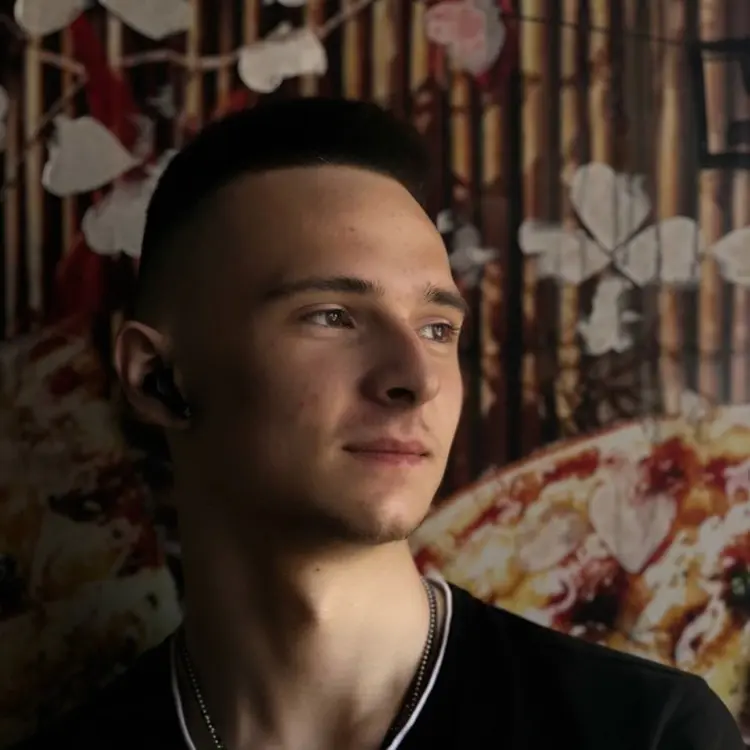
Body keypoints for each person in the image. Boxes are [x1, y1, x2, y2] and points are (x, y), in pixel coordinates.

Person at [15, 97, 744, 750]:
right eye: (332, 316)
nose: (417, 379)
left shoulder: (646, 734)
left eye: (436, 328)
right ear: (157, 378)